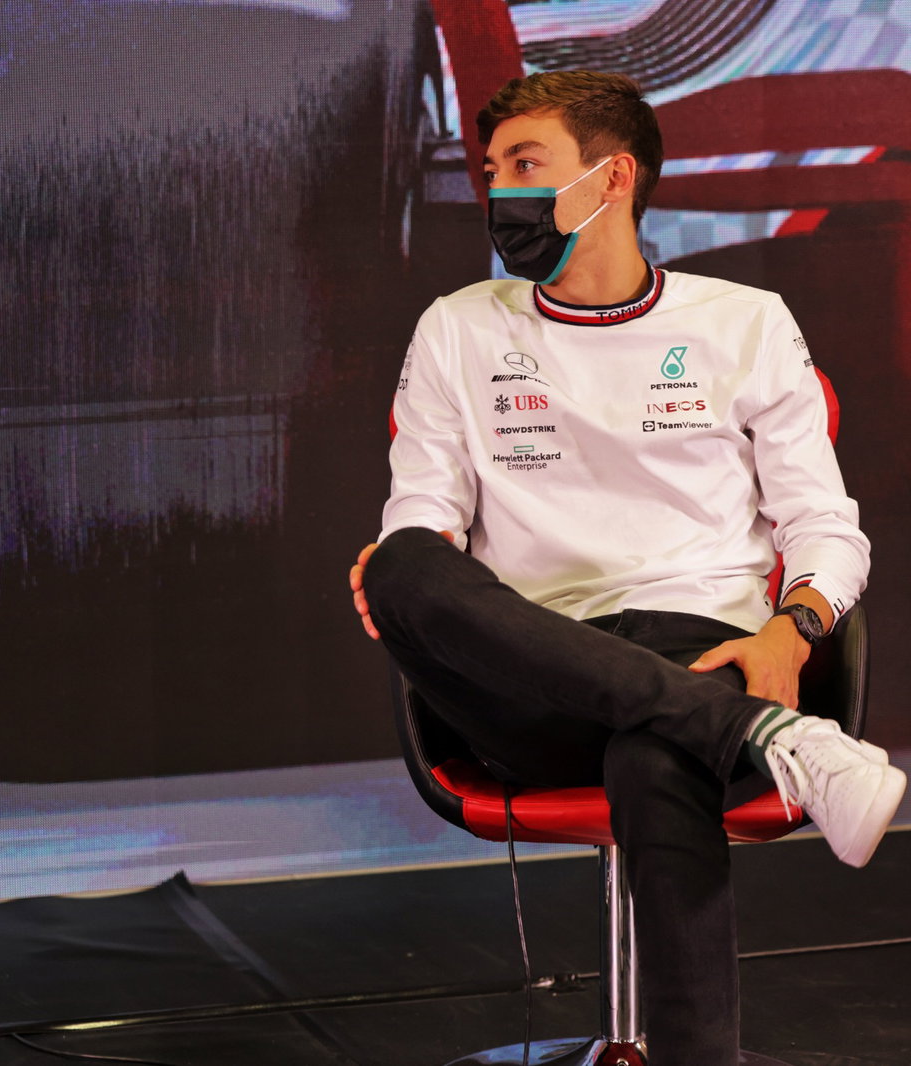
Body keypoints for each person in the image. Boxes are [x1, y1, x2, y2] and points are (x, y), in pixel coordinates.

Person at [348, 71, 903, 1065]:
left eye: (525, 166)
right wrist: (407, 558)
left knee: (652, 746)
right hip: (526, 679)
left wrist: (795, 626)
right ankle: (770, 739)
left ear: (612, 179)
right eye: (489, 172)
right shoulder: (458, 326)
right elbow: (421, 515)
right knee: (397, 566)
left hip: (702, 648)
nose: (497, 194)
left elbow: (825, 526)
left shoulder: (744, 321)